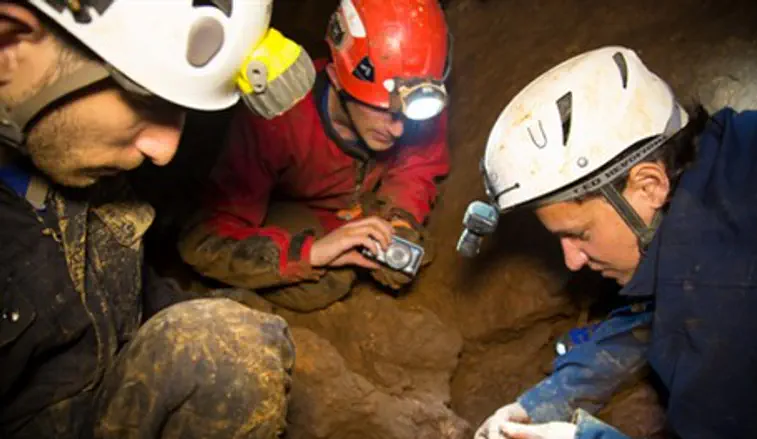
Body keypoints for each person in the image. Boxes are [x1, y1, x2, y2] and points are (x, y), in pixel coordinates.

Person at [0, 1, 316, 437]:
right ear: (9, 44)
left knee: (230, 342)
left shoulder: (83, 180)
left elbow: (137, 302)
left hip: (96, 401)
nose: (165, 151)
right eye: (148, 99)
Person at [470, 45, 757, 439]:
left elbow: (698, 307)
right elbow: (659, 311)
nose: (572, 261)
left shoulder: (726, 318)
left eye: (579, 234)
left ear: (648, 185)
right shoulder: (732, 147)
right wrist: (540, 403)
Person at [178, 0, 451, 312]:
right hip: (289, 212)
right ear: (336, 78)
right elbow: (203, 239)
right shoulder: (278, 119)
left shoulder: (419, 98)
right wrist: (310, 253)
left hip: (353, 209)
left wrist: (400, 218)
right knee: (326, 282)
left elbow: (419, 166)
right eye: (384, 111)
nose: (399, 130)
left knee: (404, 260)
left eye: (408, 116)